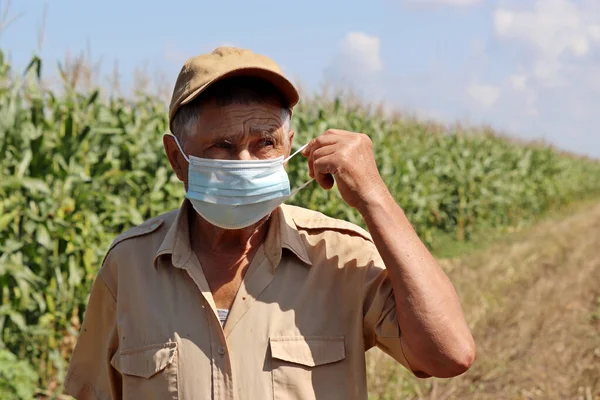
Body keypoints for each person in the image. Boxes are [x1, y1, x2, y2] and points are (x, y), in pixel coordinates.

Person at [64, 46, 475, 400]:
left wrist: (373, 194)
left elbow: (448, 353)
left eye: (265, 144)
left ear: (289, 148)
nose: (245, 163)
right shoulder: (130, 266)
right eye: (222, 147)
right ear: (177, 159)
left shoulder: (338, 255)